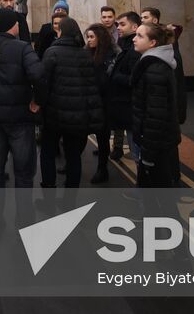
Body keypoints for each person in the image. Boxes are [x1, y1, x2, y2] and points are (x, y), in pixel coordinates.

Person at [0, 9, 45, 188]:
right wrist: (37, 101)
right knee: (23, 169)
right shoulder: (23, 48)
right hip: (19, 115)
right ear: (14, 26)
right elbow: (39, 76)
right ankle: (24, 214)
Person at [38, 17, 103, 190]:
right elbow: (91, 85)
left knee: (48, 152)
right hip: (78, 113)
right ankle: (71, 191)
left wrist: (39, 105)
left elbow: (44, 82)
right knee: (73, 155)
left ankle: (49, 187)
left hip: (54, 113)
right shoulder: (85, 54)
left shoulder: (52, 52)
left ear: (61, 32)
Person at [131, 21, 181, 188]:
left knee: (157, 191)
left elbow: (155, 114)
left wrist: (148, 152)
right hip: (156, 141)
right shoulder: (152, 64)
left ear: (152, 43)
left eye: (139, 35)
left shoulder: (155, 70)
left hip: (155, 143)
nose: (134, 39)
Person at [101, 11, 142, 163]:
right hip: (122, 104)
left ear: (135, 26)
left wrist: (114, 76)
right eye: (118, 24)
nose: (118, 28)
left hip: (129, 105)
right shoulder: (124, 43)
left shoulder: (134, 50)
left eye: (122, 24)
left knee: (136, 149)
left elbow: (134, 79)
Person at [84, 22, 119, 184]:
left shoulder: (111, 55)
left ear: (100, 38)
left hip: (105, 102)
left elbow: (108, 80)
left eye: (92, 37)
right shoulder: (86, 53)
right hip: (88, 100)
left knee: (103, 137)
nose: (89, 40)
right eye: (87, 37)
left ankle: (102, 168)